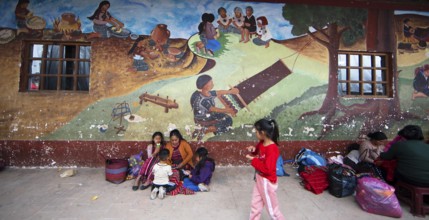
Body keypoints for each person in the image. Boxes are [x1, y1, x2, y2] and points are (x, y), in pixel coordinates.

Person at [246, 118, 285, 220]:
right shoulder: (262, 142)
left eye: (256, 131)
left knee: (272, 210)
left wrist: (253, 160)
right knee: (255, 204)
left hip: (267, 182)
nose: (255, 133)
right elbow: (258, 151)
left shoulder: (273, 149)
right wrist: (253, 151)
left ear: (262, 132)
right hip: (259, 179)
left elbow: (267, 169)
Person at [190, 74, 239, 140]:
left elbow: (218, 92)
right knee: (227, 121)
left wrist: (230, 91)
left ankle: (202, 129)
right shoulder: (202, 100)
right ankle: (205, 130)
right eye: (211, 82)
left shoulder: (208, 93)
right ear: (205, 85)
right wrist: (227, 110)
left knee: (226, 118)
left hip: (208, 115)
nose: (212, 83)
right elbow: (213, 109)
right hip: (203, 119)